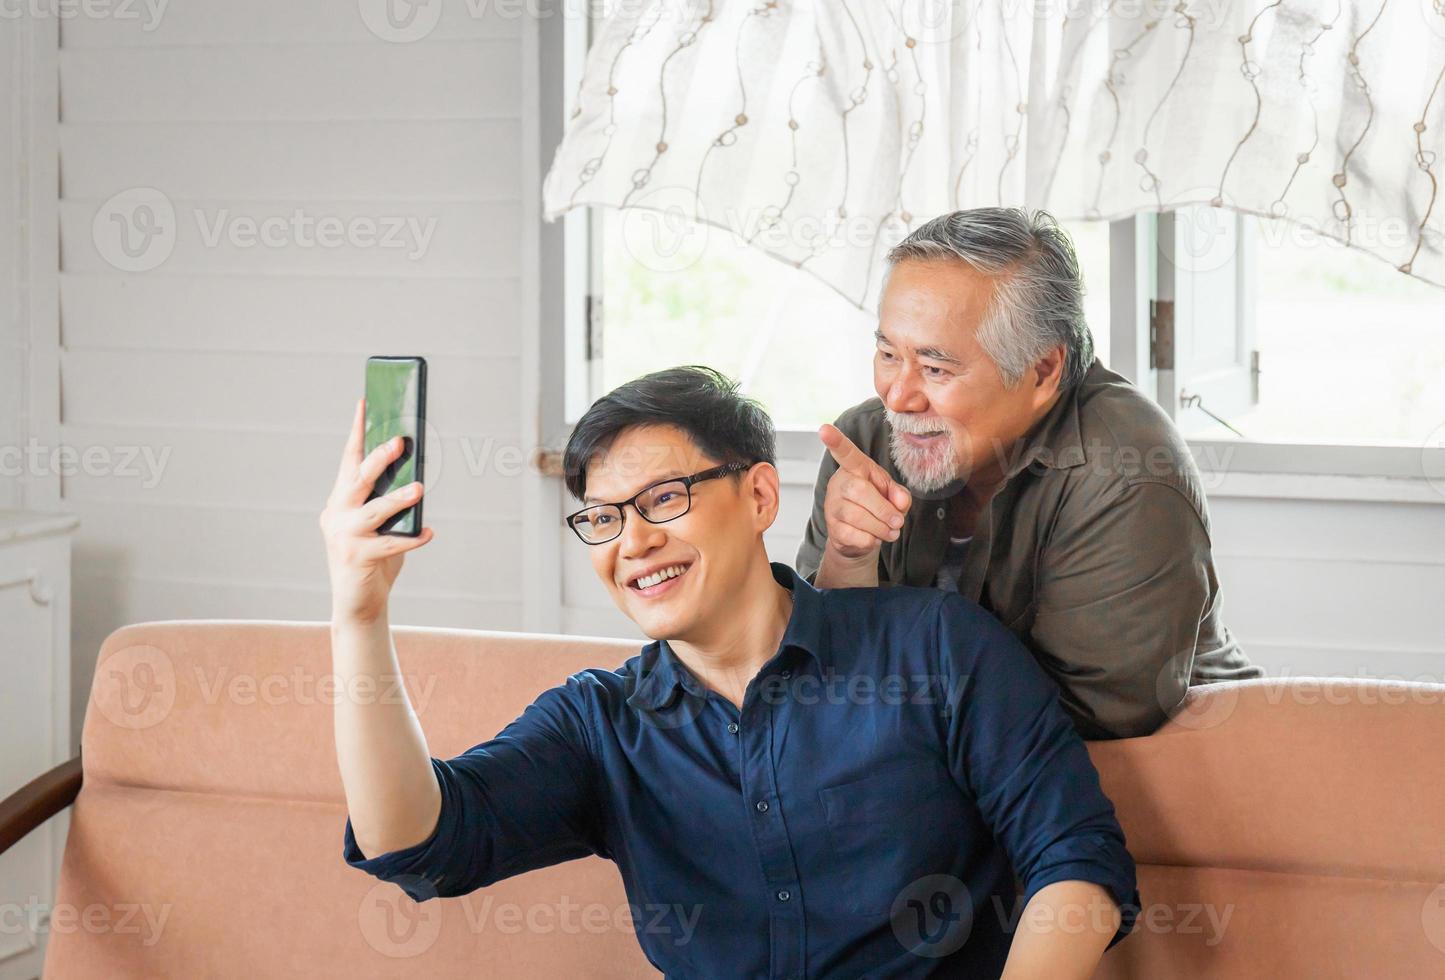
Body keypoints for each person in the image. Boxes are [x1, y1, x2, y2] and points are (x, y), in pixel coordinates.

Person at [321, 366, 1138, 978]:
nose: (631, 542)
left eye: (663, 499)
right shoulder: (598, 724)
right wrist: (358, 615)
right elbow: (418, 841)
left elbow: (1075, 861)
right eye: (602, 519)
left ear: (757, 497)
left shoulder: (935, 649)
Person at [797, 207, 1261, 740]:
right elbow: (813, 682)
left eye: (936, 368)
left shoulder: (1126, 474)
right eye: (886, 353)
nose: (897, 396)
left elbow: (1093, 726)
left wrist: (886, 699)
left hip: (1181, 776)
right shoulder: (865, 443)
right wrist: (847, 561)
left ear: (1042, 371)